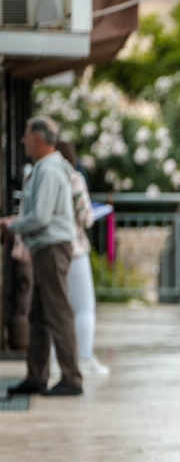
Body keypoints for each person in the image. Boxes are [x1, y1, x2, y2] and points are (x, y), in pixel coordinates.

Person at [0, 117, 83, 396]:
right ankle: (36, 376)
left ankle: (71, 378)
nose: (23, 140)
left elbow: (40, 217)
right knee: (39, 315)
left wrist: (12, 226)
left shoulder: (48, 169)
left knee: (58, 312)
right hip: (48, 247)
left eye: (26, 135)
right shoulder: (50, 167)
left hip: (52, 248)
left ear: (37, 139)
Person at [52, 141, 109, 377]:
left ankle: (54, 360)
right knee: (84, 306)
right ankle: (84, 357)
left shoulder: (39, 177)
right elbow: (86, 217)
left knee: (55, 307)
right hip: (73, 248)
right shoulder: (73, 178)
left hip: (48, 248)